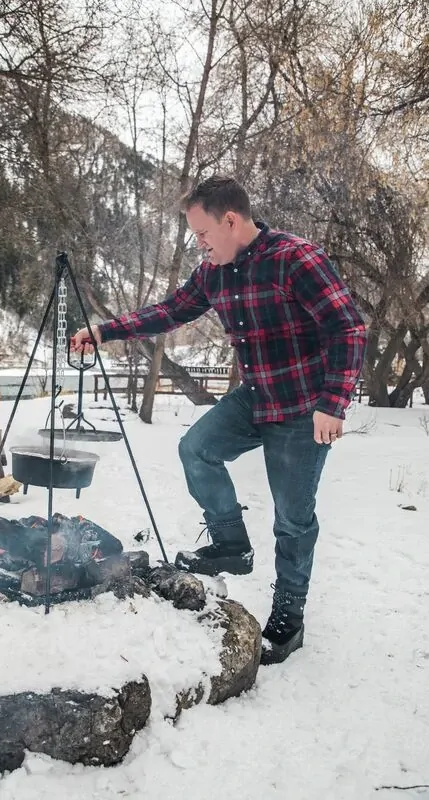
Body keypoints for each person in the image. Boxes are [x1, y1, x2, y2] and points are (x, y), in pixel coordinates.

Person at [71, 175, 367, 664]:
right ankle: (231, 544)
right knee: (197, 449)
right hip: (256, 397)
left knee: (292, 521)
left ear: (230, 220)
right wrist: (105, 331)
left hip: (302, 408)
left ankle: (289, 618)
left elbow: (348, 329)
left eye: (203, 233)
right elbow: (171, 311)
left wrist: (332, 403)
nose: (200, 244)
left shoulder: (295, 259)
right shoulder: (214, 272)